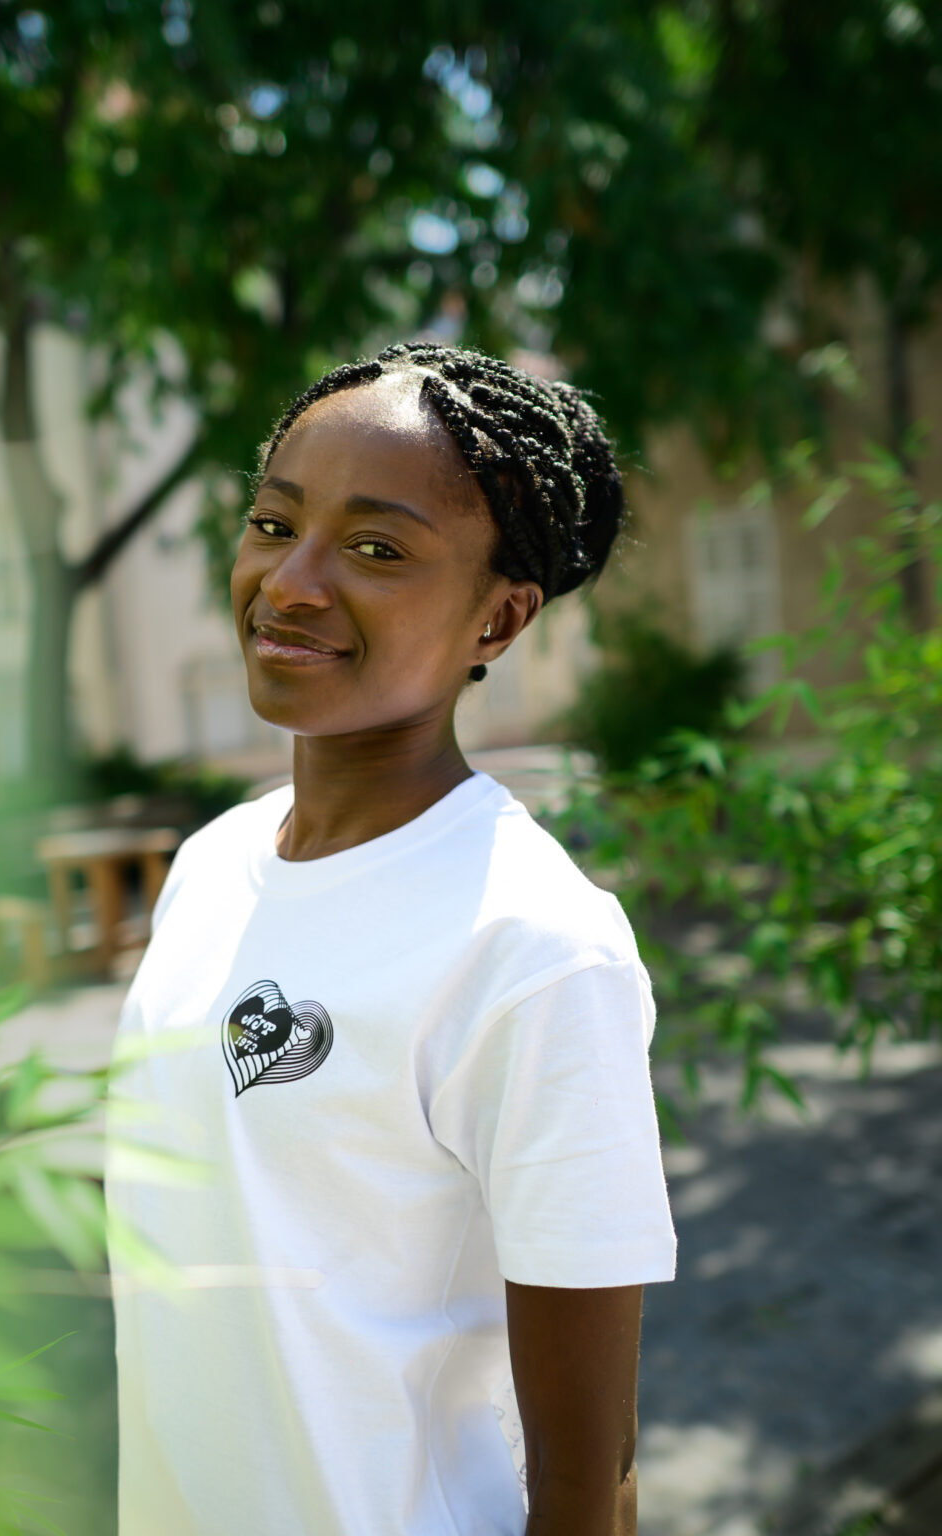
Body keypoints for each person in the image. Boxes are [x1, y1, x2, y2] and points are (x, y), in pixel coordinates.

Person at [105, 342, 676, 1536]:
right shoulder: (211, 870)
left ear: (499, 617)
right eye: (274, 523)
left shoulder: (535, 947)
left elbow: (588, 1477)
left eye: (377, 549)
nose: (292, 583)